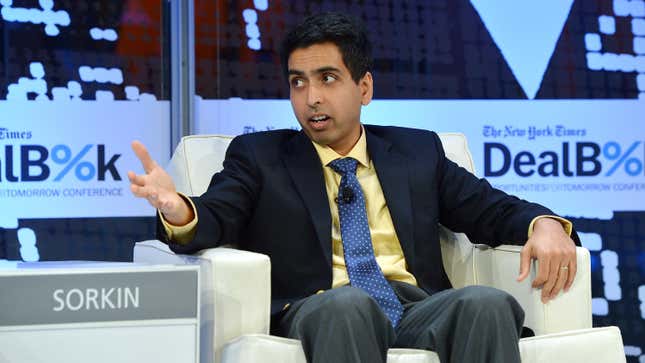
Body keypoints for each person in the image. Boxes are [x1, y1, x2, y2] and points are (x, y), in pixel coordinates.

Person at [128, 12, 578, 363]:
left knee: (485, 303)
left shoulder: (417, 152)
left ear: (364, 88)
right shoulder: (260, 157)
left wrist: (544, 224)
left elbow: (490, 209)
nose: (311, 98)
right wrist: (178, 208)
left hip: (416, 307)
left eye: (327, 79)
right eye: (297, 83)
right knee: (348, 305)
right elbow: (215, 216)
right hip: (320, 307)